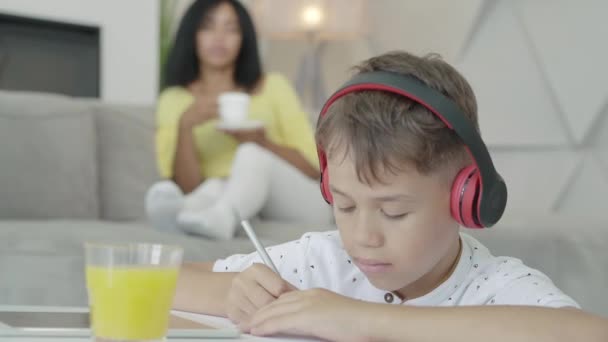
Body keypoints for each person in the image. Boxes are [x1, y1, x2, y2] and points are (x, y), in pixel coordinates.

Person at [171, 51, 608, 341]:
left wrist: (363, 321)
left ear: (467, 197)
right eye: (343, 205)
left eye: (394, 211)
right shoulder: (322, 262)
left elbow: (584, 333)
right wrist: (234, 292)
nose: (362, 237)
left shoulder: (494, 287)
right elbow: (162, 278)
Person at [146, 0, 330, 240]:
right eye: (208, 27)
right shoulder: (174, 100)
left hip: (302, 201)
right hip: (241, 200)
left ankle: (221, 216)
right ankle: (183, 212)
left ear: (244, 38)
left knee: (250, 153)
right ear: (192, 34)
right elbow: (189, 187)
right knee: (214, 186)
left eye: (231, 29)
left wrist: (261, 142)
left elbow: (315, 167)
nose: (219, 37)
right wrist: (185, 127)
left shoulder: (273, 86)